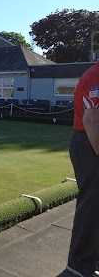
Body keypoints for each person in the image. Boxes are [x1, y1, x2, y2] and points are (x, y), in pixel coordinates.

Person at [66, 59, 99, 277]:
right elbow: (92, 120)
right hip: (90, 142)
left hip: (89, 141)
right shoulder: (96, 75)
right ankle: (79, 264)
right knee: (91, 205)